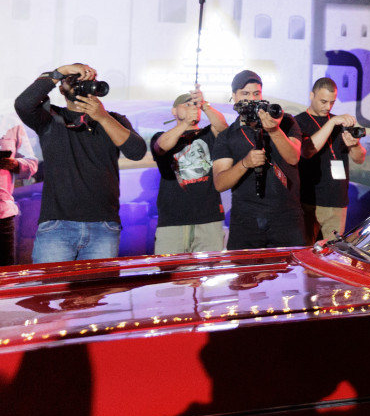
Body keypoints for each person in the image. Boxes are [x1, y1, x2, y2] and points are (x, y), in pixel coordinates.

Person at [14, 63, 147, 262]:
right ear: (61, 88)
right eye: (74, 80)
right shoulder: (50, 118)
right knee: (53, 284)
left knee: (97, 284)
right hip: (58, 225)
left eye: (87, 81)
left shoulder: (114, 120)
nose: (81, 84)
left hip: (103, 226)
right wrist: (61, 71)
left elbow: (137, 152)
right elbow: (23, 104)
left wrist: (103, 117)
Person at [210, 70, 306, 250]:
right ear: (234, 96)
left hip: (286, 218)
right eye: (245, 94)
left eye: (256, 93)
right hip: (246, 221)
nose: (252, 99)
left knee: (289, 267)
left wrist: (274, 130)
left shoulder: (285, 121)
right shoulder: (227, 136)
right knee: (244, 268)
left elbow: (293, 157)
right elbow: (220, 183)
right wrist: (245, 163)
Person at [150, 89, 228, 254]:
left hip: (208, 220)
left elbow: (223, 128)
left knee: (209, 268)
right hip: (173, 222)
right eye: (186, 105)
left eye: (195, 105)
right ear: (174, 111)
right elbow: (161, 146)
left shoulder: (208, 134)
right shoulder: (161, 136)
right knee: (169, 268)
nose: (193, 107)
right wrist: (185, 123)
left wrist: (205, 105)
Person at [296, 77, 367, 241]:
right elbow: (307, 151)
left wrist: (355, 145)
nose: (328, 107)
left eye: (332, 102)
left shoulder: (340, 123)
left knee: (332, 251)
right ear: (311, 95)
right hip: (309, 200)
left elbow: (359, 159)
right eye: (323, 101)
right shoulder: (298, 122)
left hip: (337, 200)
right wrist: (332, 122)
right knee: (306, 249)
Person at [0, 124, 38, 266]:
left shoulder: (12, 124)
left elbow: (31, 163)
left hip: (3, 214)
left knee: (6, 273)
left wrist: (15, 164)